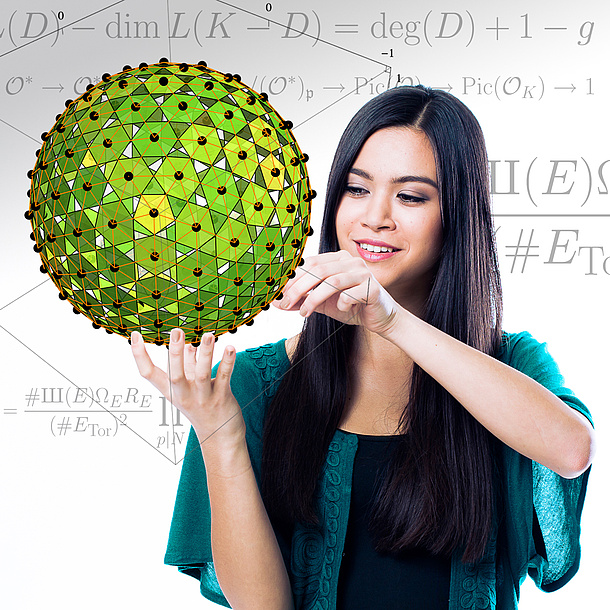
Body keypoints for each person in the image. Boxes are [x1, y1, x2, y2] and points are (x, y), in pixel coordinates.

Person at [131, 85, 595, 610]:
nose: (374, 217)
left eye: (411, 196)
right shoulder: (252, 381)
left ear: (458, 216)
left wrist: (393, 322)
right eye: (356, 189)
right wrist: (219, 435)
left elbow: (572, 450)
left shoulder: (511, 364)